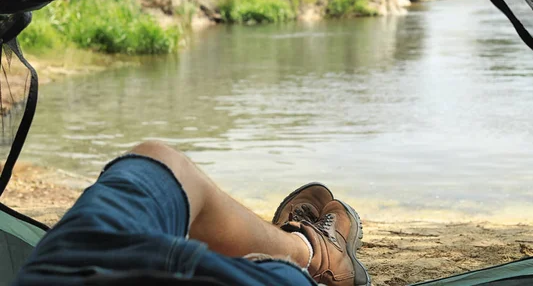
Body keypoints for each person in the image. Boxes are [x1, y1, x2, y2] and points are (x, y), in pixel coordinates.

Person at [13, 141, 371, 286]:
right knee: (275, 276)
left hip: (65, 274)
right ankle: (312, 256)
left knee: (156, 160)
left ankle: (309, 252)